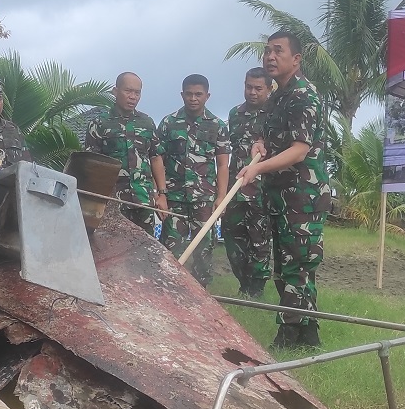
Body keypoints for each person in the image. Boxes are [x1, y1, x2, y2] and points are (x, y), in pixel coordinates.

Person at [236, 31, 330, 350]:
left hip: (304, 196)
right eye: (267, 51)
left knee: (297, 266)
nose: (270, 57)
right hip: (280, 196)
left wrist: (258, 168)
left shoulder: (304, 94)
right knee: (292, 265)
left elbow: (299, 150)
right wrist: (259, 146)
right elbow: (270, 140)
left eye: (278, 51)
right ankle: (309, 333)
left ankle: (287, 336)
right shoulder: (277, 97)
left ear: (296, 59)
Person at [153, 74, 230, 286]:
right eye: (189, 94)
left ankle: (201, 294)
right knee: (170, 249)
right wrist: (160, 194)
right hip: (174, 199)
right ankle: (168, 290)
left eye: (198, 94)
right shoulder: (169, 123)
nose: (193, 98)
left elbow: (223, 164)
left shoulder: (217, 125)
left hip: (204, 200)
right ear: (182, 94)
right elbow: (157, 159)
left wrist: (221, 196)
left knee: (204, 251)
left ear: (207, 96)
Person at [83, 72, 163, 231]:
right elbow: (91, 164)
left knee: (146, 249)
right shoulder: (100, 123)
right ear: (115, 91)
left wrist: (161, 194)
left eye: (137, 92)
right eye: (128, 91)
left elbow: (155, 157)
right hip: (113, 202)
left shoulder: (147, 122)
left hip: (144, 200)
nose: (133, 96)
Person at [222, 68, 272, 298]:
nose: (252, 92)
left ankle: (256, 289)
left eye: (258, 88)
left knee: (259, 240)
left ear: (269, 89)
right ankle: (243, 283)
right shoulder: (234, 115)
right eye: (248, 87)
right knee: (233, 238)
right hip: (237, 189)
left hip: (264, 190)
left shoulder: (275, 114)